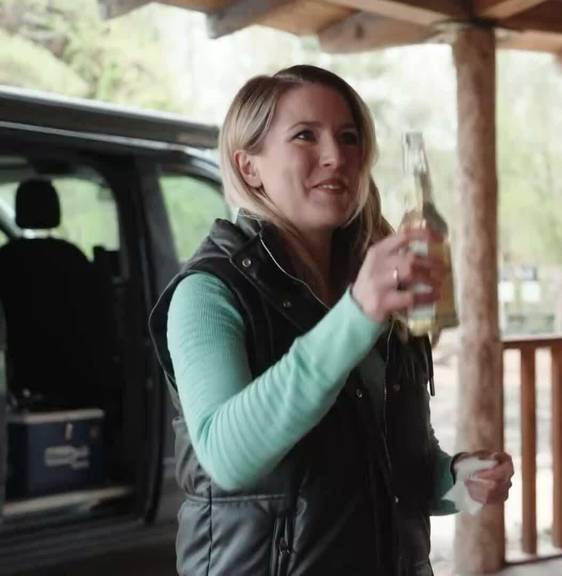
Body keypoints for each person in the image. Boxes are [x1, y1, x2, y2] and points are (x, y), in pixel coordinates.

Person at [148, 65, 514, 576]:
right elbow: (227, 457)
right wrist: (358, 314)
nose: (336, 156)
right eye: (305, 136)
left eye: (349, 137)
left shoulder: (368, 278)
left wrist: (457, 480)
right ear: (249, 166)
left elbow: (396, 463)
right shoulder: (210, 292)